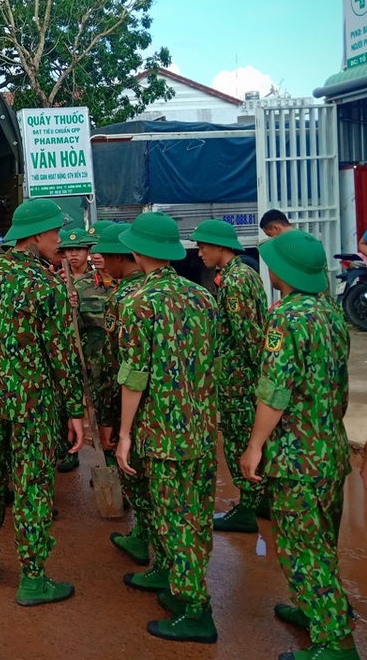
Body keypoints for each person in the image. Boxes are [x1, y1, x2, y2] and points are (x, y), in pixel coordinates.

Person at [240, 230, 359, 660]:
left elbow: (275, 391)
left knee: (302, 551)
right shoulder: (330, 312)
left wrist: (255, 445)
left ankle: (336, 644)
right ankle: (319, 610)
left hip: (297, 459)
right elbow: (337, 387)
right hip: (329, 450)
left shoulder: (287, 318)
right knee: (321, 542)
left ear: (285, 271)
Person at [0, 199, 85, 606]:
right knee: (32, 484)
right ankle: (33, 579)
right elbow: (62, 354)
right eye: (56, 232)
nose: (61, 240)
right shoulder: (48, 286)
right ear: (36, 235)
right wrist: (75, 410)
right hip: (33, 402)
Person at [115, 212, 219, 644]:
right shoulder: (203, 297)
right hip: (200, 426)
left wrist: (124, 434)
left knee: (174, 519)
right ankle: (176, 582)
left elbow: (134, 375)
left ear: (138, 252)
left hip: (162, 432)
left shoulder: (138, 303)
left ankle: (196, 610)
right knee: (194, 514)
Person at [191, 219, 268, 533]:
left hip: (238, 377)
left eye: (203, 247)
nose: (199, 253)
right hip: (244, 374)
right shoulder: (245, 273)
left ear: (220, 246)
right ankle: (262, 499)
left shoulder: (234, 281)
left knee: (238, 440)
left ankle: (247, 510)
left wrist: (256, 374)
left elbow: (247, 333)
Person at [93, 224, 155, 567]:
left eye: (106, 255)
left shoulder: (124, 300)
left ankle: (143, 537)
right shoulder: (190, 294)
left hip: (137, 409)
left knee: (138, 476)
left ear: (121, 257)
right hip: (181, 412)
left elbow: (114, 365)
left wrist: (107, 419)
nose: (101, 261)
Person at [57, 227, 112, 472]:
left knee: (103, 407)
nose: (73, 255)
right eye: (68, 250)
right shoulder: (59, 282)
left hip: (99, 357)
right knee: (69, 406)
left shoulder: (101, 281)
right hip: (72, 356)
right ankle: (70, 451)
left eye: (78, 249)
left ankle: (107, 460)